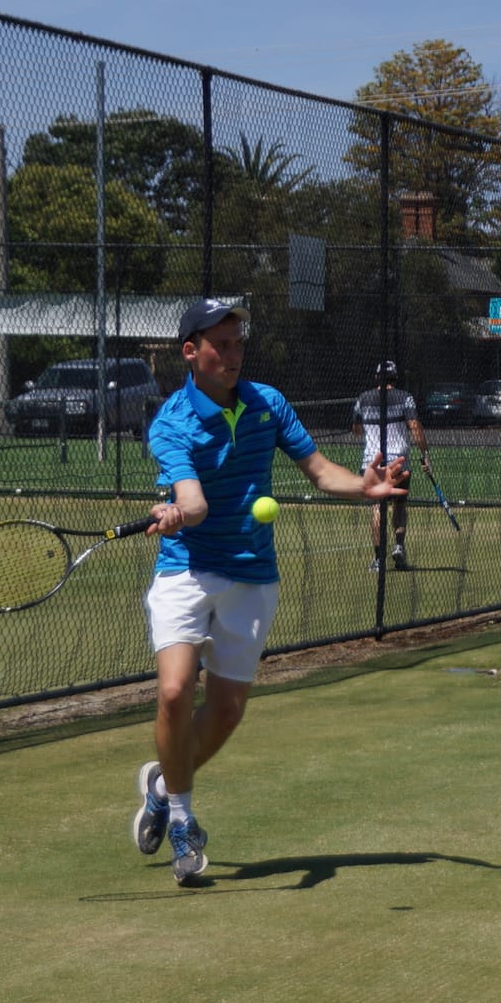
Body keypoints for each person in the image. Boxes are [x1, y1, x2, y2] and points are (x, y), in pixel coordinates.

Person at [134, 296, 408, 885]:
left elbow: (318, 470)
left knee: (227, 710)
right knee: (177, 691)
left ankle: (162, 786)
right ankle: (182, 819)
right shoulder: (172, 421)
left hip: (253, 575)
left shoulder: (268, 404)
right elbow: (195, 499)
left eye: (239, 345)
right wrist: (183, 511)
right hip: (186, 569)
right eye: (221, 346)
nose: (234, 356)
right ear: (192, 352)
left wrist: (367, 488)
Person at [351, 359, 428, 572]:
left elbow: (356, 429)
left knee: (377, 506)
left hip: (371, 462)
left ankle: (378, 559)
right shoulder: (406, 398)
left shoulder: (363, 399)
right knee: (400, 505)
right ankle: (399, 546)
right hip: (398, 460)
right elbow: (414, 426)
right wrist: (425, 454)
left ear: (376, 377)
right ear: (395, 378)